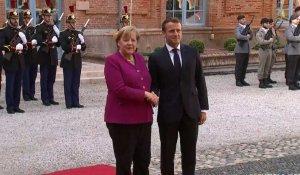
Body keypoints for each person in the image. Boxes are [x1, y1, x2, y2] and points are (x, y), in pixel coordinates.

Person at [148, 17, 209, 175]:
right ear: (164, 33)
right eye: (172, 31)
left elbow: (200, 80)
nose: (176, 34)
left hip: (191, 111)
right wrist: (154, 96)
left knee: (190, 153)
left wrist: (203, 108)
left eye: (178, 30)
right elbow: (154, 84)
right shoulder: (156, 57)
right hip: (168, 113)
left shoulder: (192, 52)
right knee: (167, 153)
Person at [104, 26, 158, 175]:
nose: (130, 43)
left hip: (144, 118)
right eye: (126, 40)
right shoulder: (112, 61)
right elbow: (119, 89)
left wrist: (152, 95)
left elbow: (144, 81)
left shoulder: (139, 58)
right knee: (124, 162)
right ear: (118, 43)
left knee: (143, 161)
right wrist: (145, 94)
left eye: (133, 40)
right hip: (122, 120)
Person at [0, 8, 27, 114]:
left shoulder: (20, 31)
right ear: (9, 19)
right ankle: (10, 106)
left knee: (17, 84)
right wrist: (13, 48)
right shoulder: (4, 31)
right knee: (10, 85)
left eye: (16, 18)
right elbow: (1, 45)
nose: (15, 21)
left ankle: (16, 105)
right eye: (13, 19)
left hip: (20, 61)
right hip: (10, 61)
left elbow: (25, 47)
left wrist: (24, 44)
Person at [59, 8, 86, 109]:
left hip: (77, 61)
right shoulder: (63, 34)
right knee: (68, 83)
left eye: (74, 22)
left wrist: (82, 42)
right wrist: (74, 47)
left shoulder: (78, 33)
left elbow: (83, 48)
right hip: (68, 61)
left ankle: (76, 102)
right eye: (71, 22)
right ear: (67, 23)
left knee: (76, 83)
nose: (73, 24)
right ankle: (69, 103)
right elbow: (64, 47)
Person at [36, 7, 60, 106]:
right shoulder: (39, 27)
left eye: (50, 16)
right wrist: (49, 42)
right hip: (44, 56)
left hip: (53, 56)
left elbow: (59, 44)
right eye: (47, 16)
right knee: (44, 78)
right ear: (43, 16)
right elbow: (38, 40)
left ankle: (51, 98)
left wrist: (57, 39)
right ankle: (44, 98)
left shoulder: (54, 27)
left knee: (52, 79)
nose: (49, 17)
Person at [21, 3, 39, 101]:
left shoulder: (34, 29)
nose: (28, 19)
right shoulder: (21, 29)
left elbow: (38, 39)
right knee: (26, 76)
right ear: (24, 19)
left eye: (29, 18)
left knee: (33, 75)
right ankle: (26, 94)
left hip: (34, 56)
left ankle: (32, 94)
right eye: (26, 18)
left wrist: (36, 42)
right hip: (26, 56)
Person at [234, 15, 253, 87]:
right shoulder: (237, 28)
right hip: (240, 50)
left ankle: (242, 79)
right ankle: (238, 80)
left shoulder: (247, 27)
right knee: (239, 66)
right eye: (242, 19)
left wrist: (250, 32)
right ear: (238, 20)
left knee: (244, 66)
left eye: (244, 19)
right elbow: (239, 36)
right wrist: (247, 36)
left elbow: (252, 36)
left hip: (246, 50)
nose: (244, 20)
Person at [256, 18, 273, 89]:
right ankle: (261, 82)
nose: (268, 24)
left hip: (269, 50)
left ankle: (265, 80)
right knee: (262, 66)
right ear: (263, 23)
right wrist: (269, 41)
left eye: (268, 23)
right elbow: (261, 42)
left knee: (267, 66)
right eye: (266, 23)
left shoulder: (269, 31)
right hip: (263, 50)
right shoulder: (259, 32)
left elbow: (274, 39)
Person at [285, 14, 300, 90]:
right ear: (292, 20)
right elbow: (290, 37)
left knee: (297, 68)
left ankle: (295, 82)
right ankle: (291, 83)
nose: (298, 20)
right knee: (292, 68)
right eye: (297, 19)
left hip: (298, 51)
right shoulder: (289, 28)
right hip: (292, 51)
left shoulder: (298, 27)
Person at [267, 18, 278, 84]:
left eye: (272, 24)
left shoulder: (273, 30)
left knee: (271, 65)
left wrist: (275, 32)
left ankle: (269, 77)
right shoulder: (266, 31)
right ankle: (265, 78)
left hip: (273, 49)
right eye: (271, 24)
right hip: (269, 49)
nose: (272, 25)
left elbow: (276, 40)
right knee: (267, 65)